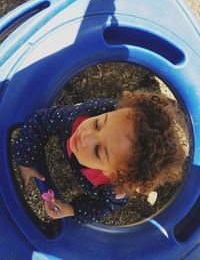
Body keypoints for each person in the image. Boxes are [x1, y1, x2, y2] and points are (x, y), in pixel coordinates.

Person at [13, 90, 188, 224]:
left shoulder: (115, 190)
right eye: (98, 124)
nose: (85, 136)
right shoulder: (78, 117)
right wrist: (25, 161)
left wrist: (73, 209)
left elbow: (101, 208)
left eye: (98, 150)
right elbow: (40, 121)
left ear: (114, 175)